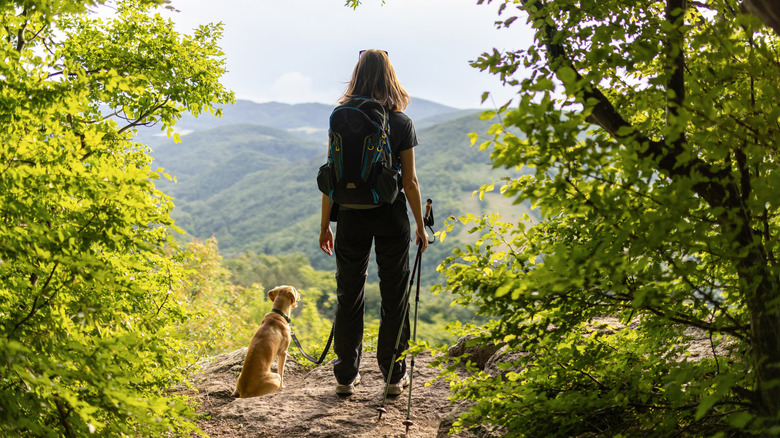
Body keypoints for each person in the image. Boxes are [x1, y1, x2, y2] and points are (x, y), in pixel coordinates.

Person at [318, 49, 428, 396]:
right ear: (389, 77)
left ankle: (345, 376)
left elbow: (332, 176)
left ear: (357, 76)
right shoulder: (401, 122)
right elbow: (409, 182)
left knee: (349, 293)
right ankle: (393, 377)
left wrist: (325, 225)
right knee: (394, 294)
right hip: (390, 217)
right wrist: (421, 227)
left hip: (350, 214)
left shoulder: (341, 117)